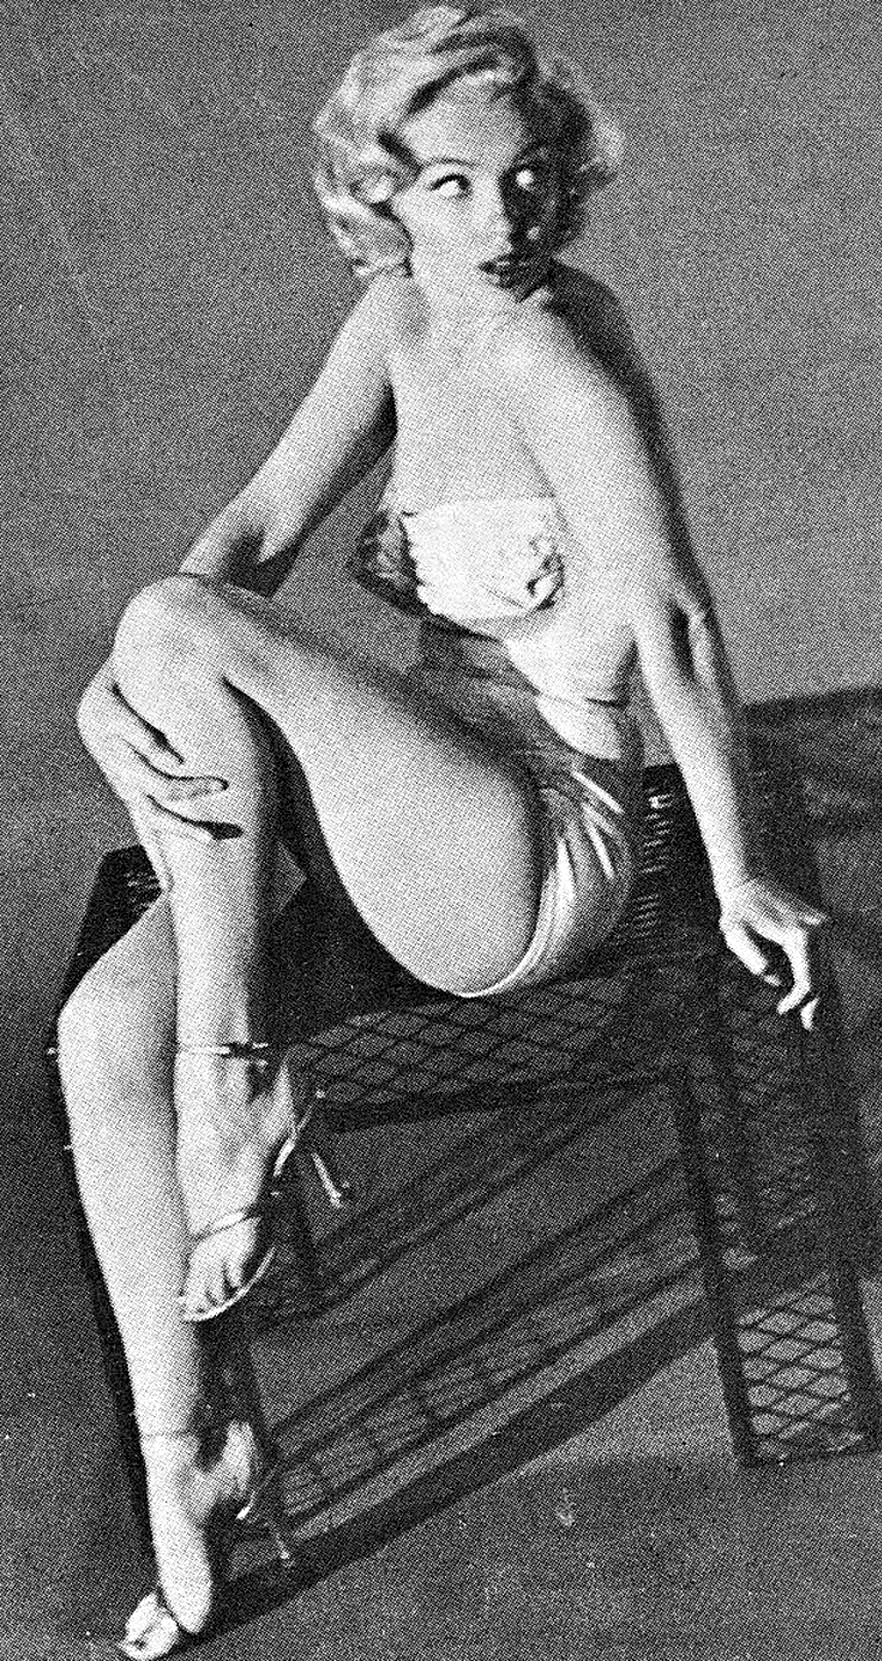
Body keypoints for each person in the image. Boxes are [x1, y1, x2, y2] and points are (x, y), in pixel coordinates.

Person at [57, 5, 826, 1653]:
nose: (501, 216)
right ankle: (195, 1452)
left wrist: (738, 861)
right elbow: (258, 527)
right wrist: (108, 696)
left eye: (529, 176)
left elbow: (673, 618)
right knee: (98, 1035)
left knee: (179, 631)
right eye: (454, 183)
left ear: (565, 177)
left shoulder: (557, 352)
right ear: (385, 195)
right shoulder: (400, 319)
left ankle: (236, 1084)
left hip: (537, 843)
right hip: (411, 807)